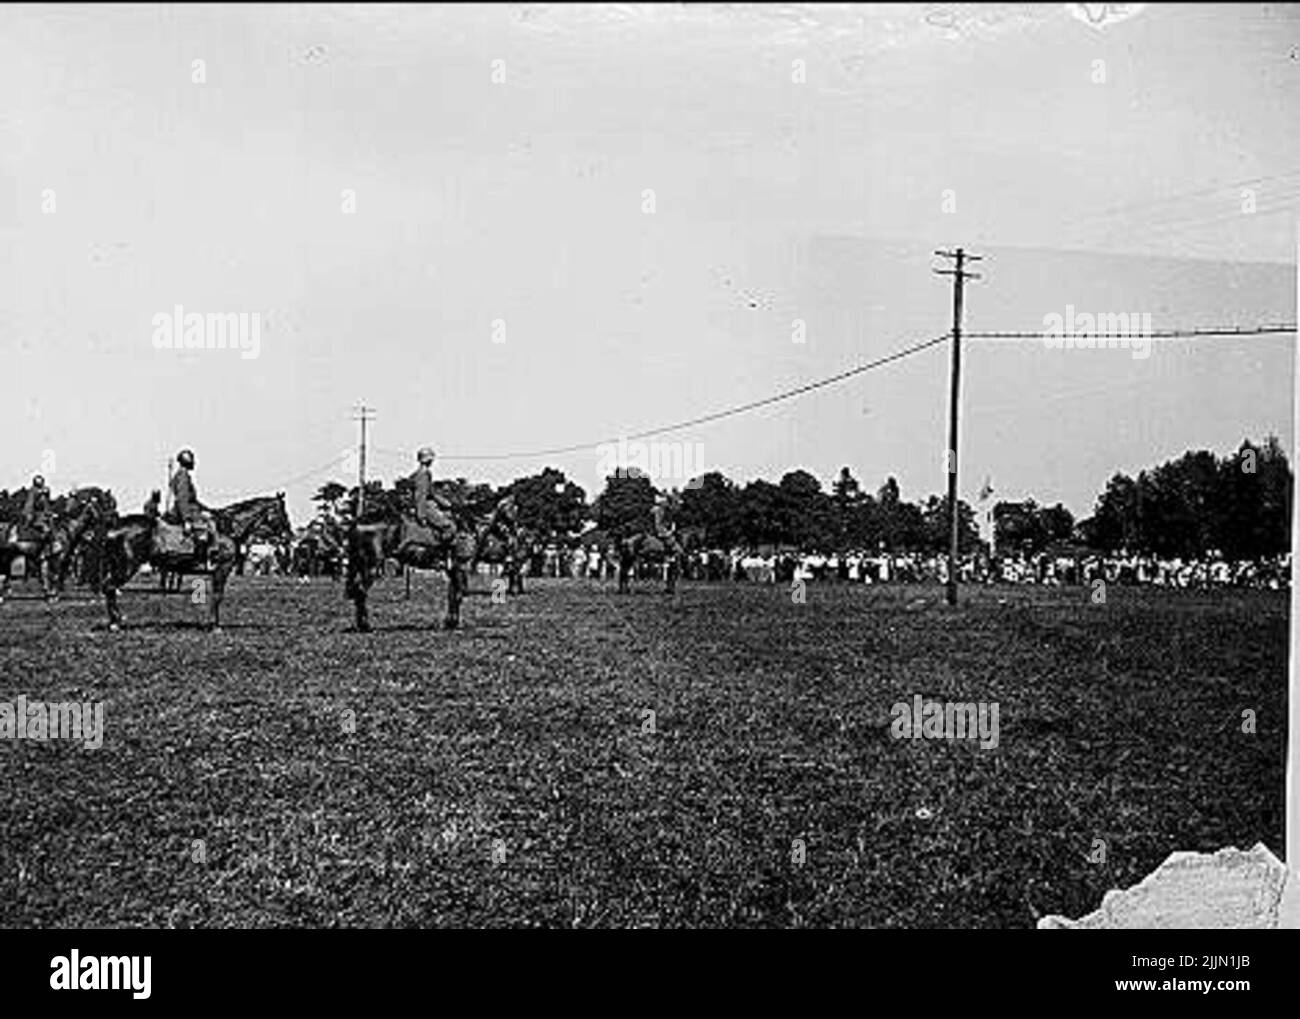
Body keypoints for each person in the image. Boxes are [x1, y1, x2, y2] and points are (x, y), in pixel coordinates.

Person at [167, 449, 215, 553]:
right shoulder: (183, 476)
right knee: (204, 529)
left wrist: (207, 509)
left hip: (191, 509)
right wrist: (186, 519)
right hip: (187, 511)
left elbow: (192, 499)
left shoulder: (182, 475)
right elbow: (183, 499)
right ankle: (199, 560)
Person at [409, 447, 457, 542]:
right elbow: (421, 495)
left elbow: (432, 493)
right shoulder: (423, 474)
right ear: (429, 460)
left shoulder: (420, 473)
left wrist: (447, 503)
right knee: (450, 527)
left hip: (428, 504)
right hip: (427, 507)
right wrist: (421, 515)